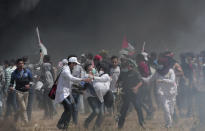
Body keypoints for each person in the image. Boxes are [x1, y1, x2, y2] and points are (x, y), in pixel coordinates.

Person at [55, 58, 90, 130]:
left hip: (67, 93)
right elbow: (71, 78)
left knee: (70, 109)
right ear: (71, 63)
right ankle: (59, 124)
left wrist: (79, 89)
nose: (75, 66)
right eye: (75, 64)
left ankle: (65, 127)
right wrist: (82, 79)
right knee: (69, 107)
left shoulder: (68, 70)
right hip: (62, 93)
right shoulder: (65, 70)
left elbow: (71, 83)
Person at [143, 56, 177, 128]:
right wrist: (140, 78)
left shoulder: (171, 71)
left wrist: (163, 80)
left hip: (172, 93)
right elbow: (149, 80)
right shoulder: (157, 73)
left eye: (160, 64)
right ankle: (169, 124)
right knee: (166, 109)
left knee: (171, 110)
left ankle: (170, 121)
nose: (158, 65)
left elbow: (172, 81)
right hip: (162, 94)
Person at [117, 59, 144, 129]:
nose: (125, 68)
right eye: (124, 66)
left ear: (129, 66)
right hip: (126, 93)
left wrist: (136, 87)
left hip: (134, 93)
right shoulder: (122, 73)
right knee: (124, 110)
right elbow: (118, 82)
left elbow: (141, 81)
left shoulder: (135, 72)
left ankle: (142, 123)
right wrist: (118, 86)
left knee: (138, 108)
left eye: (126, 66)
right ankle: (120, 125)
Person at [84, 62, 111, 130]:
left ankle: (96, 127)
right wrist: (90, 76)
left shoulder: (98, 73)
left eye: (92, 67)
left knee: (101, 113)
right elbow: (87, 84)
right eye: (89, 68)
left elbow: (104, 78)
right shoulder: (86, 76)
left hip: (99, 96)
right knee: (96, 111)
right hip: (91, 97)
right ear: (87, 70)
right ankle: (86, 122)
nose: (91, 68)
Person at [10, 58, 33, 125]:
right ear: (17, 65)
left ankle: (16, 114)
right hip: (18, 92)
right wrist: (11, 87)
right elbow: (11, 82)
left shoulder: (27, 71)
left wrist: (29, 85)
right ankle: (26, 122)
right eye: (19, 64)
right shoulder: (14, 73)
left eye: (22, 63)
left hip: (26, 92)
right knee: (23, 108)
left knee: (23, 108)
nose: (21, 65)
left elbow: (31, 80)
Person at [40, 55, 56, 119]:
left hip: (48, 88)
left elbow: (48, 81)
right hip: (52, 87)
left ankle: (47, 115)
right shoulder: (52, 69)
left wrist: (42, 87)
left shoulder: (46, 72)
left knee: (46, 102)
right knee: (50, 102)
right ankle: (50, 115)